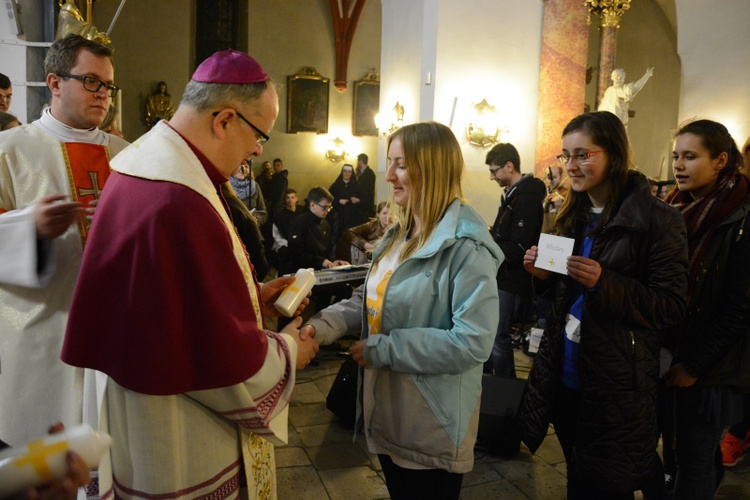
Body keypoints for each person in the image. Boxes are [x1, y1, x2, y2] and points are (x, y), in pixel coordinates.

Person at [61, 49, 318, 498]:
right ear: (224, 120)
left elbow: (165, 302)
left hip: (136, 407)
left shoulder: (140, 166)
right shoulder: (179, 196)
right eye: (260, 134)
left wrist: (249, 295)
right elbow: (226, 365)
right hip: (175, 428)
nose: (259, 150)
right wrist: (291, 352)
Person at [300, 121, 502, 499]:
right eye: (389, 163)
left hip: (431, 420)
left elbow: (472, 342)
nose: (389, 175)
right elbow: (370, 299)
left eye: (401, 165)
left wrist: (384, 349)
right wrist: (321, 327)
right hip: (390, 410)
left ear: (434, 167)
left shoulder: (466, 249)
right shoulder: (399, 234)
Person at [519, 111, 688, 498]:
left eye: (583, 155)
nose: (571, 166)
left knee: (604, 487)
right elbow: (563, 297)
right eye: (566, 156)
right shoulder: (569, 213)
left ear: (613, 154)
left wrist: (604, 282)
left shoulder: (659, 219)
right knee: (578, 477)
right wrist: (543, 278)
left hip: (615, 385)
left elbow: (670, 305)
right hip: (564, 375)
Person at [0, 34, 128, 448]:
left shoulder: (129, 156)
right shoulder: (9, 151)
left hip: (119, 336)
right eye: (92, 81)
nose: (104, 94)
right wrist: (28, 228)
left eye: (108, 85)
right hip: (42, 338)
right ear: (54, 82)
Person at [664, 119, 750, 498]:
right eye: (675, 157)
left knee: (693, 460)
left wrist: (695, 365)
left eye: (690, 156)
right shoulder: (676, 209)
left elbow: (740, 305)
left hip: (710, 365)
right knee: (683, 454)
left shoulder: (741, 217)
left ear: (720, 161)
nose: (679, 166)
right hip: (673, 351)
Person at [486, 142, 546, 378]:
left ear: (509, 167)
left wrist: (489, 244)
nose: (492, 177)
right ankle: (494, 383)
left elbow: (520, 246)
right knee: (493, 334)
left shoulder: (527, 198)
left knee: (498, 336)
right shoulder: (512, 195)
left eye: (494, 171)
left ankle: (505, 387)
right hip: (503, 275)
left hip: (512, 279)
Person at [284, 186, 347, 272]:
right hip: (300, 273)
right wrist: (321, 261)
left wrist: (335, 261)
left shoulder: (326, 225)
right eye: (325, 207)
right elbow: (297, 255)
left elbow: (327, 253)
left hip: (320, 271)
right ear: (312, 205)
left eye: (330, 207)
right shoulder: (298, 223)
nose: (327, 211)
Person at [229, 159, 268, 226]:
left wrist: (257, 219)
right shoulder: (225, 187)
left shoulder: (254, 186)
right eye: (239, 165)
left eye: (246, 166)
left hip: (250, 231)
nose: (243, 169)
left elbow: (263, 213)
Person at [271, 188, 302, 268]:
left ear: (296, 199)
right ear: (285, 200)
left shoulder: (302, 215)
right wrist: (289, 244)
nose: (290, 200)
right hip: (284, 244)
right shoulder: (279, 216)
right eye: (287, 198)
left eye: (292, 197)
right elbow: (277, 235)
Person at [329, 163, 363, 231]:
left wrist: (358, 200)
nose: (347, 173)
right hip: (338, 217)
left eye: (349, 172)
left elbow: (366, 200)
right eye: (345, 171)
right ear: (342, 172)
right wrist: (339, 201)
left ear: (351, 173)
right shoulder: (335, 185)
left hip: (353, 218)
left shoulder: (357, 186)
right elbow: (328, 200)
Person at [356, 152, 376, 221]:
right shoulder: (361, 173)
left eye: (358, 161)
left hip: (365, 207)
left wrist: (359, 200)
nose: (357, 163)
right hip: (361, 206)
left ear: (360, 161)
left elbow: (368, 192)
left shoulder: (369, 174)